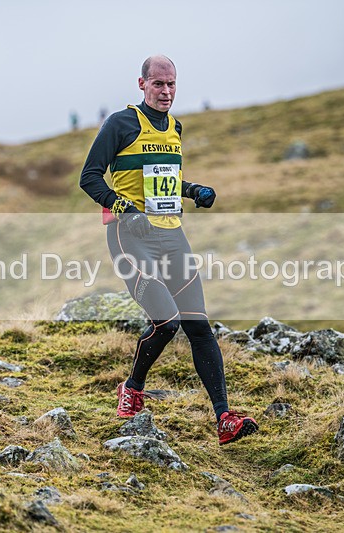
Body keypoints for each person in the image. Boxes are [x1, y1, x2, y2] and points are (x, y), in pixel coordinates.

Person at [80, 55, 258, 445]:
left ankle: (224, 417)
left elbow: (165, 181)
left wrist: (193, 190)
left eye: (172, 84)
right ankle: (132, 388)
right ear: (141, 84)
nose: (166, 92)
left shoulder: (175, 127)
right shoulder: (121, 124)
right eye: (158, 84)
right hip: (131, 238)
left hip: (172, 236)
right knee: (168, 321)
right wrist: (124, 208)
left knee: (199, 326)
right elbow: (89, 177)